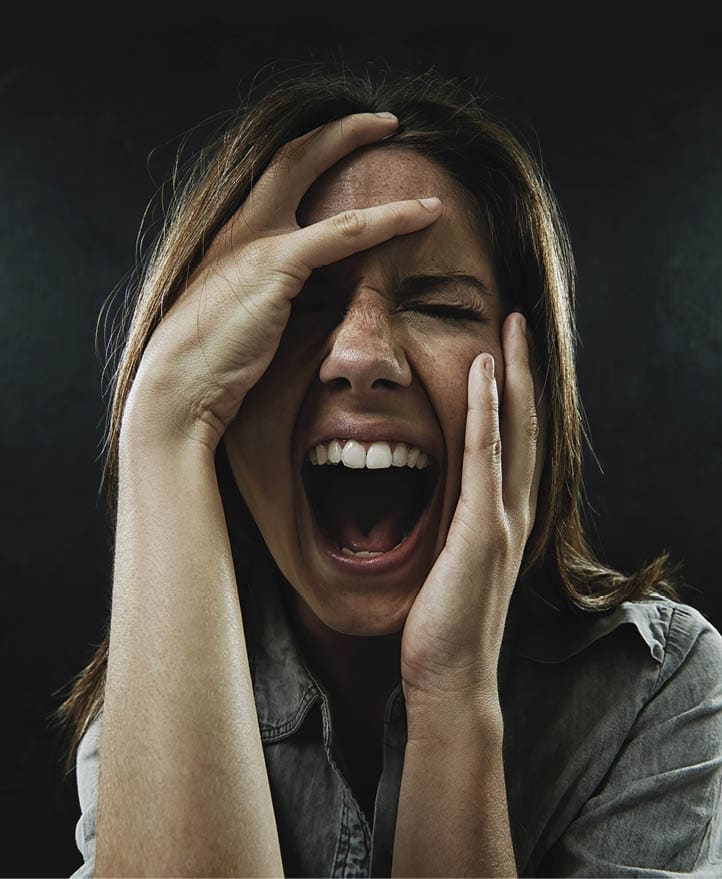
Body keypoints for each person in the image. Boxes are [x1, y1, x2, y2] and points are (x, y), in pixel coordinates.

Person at [54, 66, 722, 878]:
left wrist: (451, 694)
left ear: (531, 388)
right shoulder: (149, 702)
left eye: (440, 305)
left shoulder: (658, 689)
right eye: (301, 305)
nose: (361, 355)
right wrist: (163, 424)